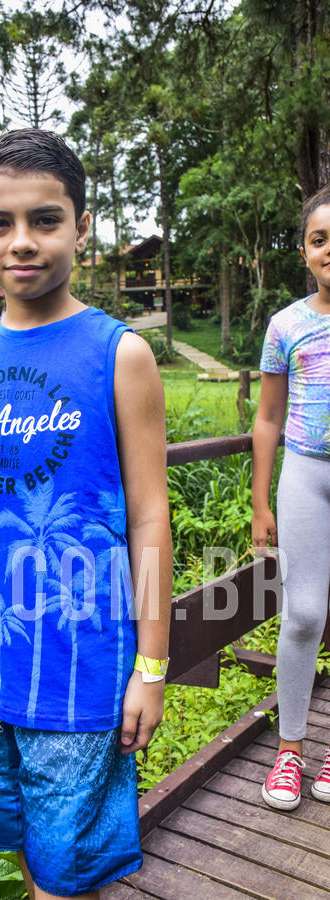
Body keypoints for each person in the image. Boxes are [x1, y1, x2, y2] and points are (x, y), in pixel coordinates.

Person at [0, 129, 172, 898]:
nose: (22, 243)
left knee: (66, 876)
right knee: (22, 850)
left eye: (45, 220)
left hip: (85, 677)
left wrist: (151, 669)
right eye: (1, 223)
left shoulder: (118, 354)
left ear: (81, 227)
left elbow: (151, 519)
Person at [253, 183, 330, 812]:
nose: (329, 248)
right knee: (303, 614)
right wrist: (261, 501)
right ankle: (291, 749)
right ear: (304, 251)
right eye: (319, 238)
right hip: (306, 475)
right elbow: (268, 418)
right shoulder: (286, 325)